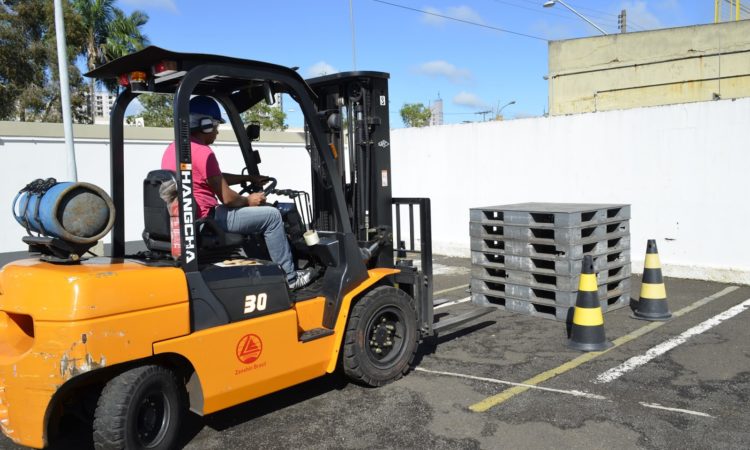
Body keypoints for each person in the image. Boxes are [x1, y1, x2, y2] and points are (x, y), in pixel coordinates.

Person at [161, 96, 313, 290]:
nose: (216, 131)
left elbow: (213, 177)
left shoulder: (175, 149)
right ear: (205, 124)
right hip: (208, 220)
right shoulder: (203, 152)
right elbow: (229, 199)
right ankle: (290, 278)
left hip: (193, 219)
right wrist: (250, 200)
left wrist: (247, 178)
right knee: (273, 216)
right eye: (216, 125)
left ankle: (265, 267)